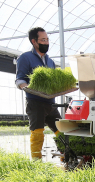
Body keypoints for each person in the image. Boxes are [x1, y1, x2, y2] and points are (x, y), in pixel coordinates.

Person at [15, 27, 62, 159]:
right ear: (34, 41)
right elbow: (20, 79)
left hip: (50, 102)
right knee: (37, 133)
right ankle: (36, 163)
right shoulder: (25, 58)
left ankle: (66, 157)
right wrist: (27, 87)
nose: (46, 42)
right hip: (35, 103)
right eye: (43, 40)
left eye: (47, 39)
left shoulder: (50, 61)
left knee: (61, 130)